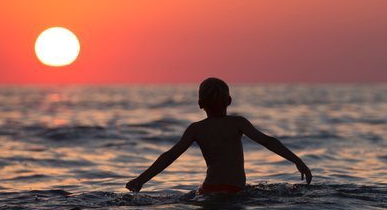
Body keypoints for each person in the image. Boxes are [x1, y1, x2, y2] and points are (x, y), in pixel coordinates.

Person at [126, 77, 312, 195]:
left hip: (207, 190)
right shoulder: (238, 123)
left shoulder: (196, 129)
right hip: (234, 190)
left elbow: (169, 156)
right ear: (229, 101)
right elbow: (267, 141)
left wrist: (140, 180)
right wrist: (297, 161)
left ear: (200, 104)